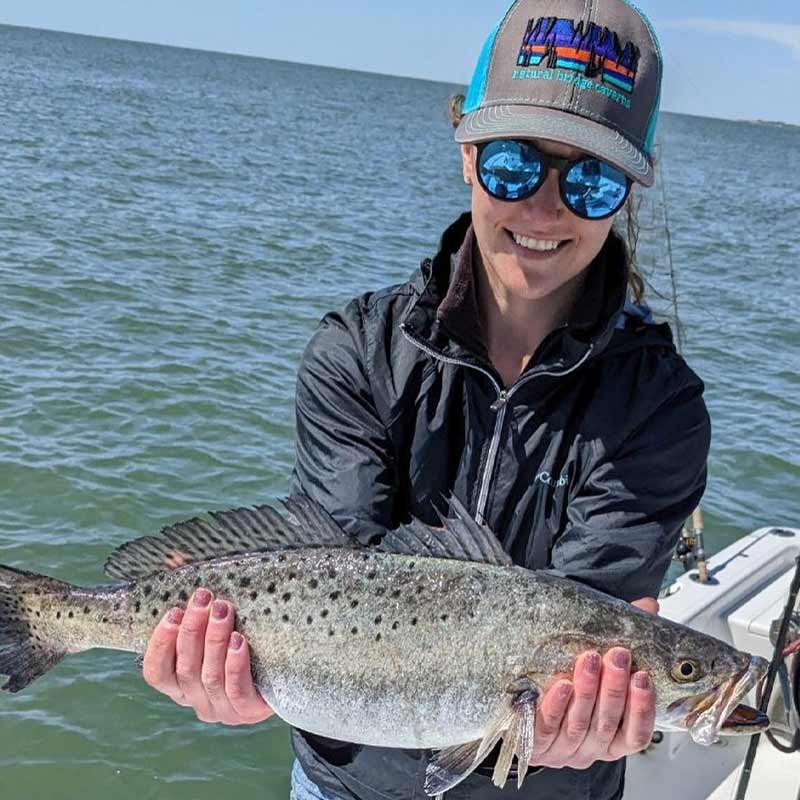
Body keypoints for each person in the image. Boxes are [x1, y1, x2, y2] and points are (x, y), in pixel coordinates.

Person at [142, 1, 710, 798]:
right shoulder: (356, 352)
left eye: (589, 178)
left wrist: (576, 723)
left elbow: (595, 611)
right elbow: (332, 560)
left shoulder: (661, 405)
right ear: (466, 149)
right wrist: (231, 676)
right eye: (515, 164)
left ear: (626, 194)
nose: (544, 210)